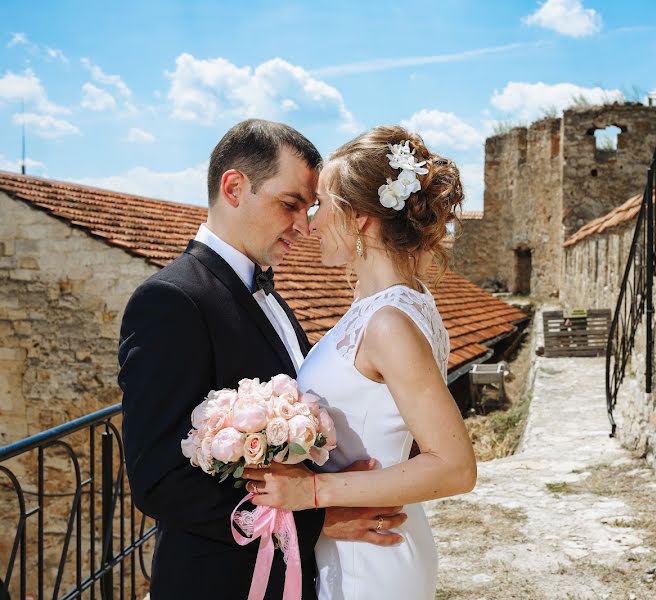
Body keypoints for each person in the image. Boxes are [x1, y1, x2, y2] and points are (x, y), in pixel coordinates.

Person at [118, 119, 406, 600]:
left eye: (310, 208)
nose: (305, 225)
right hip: (216, 581)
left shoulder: (269, 294)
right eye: (290, 204)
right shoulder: (170, 301)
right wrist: (318, 517)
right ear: (234, 187)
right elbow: (159, 482)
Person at [243, 126, 477, 600]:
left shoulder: (389, 322)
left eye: (323, 205)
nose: (310, 223)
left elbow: (455, 467)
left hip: (373, 558)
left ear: (363, 219)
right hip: (359, 544)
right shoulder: (397, 301)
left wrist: (313, 494)